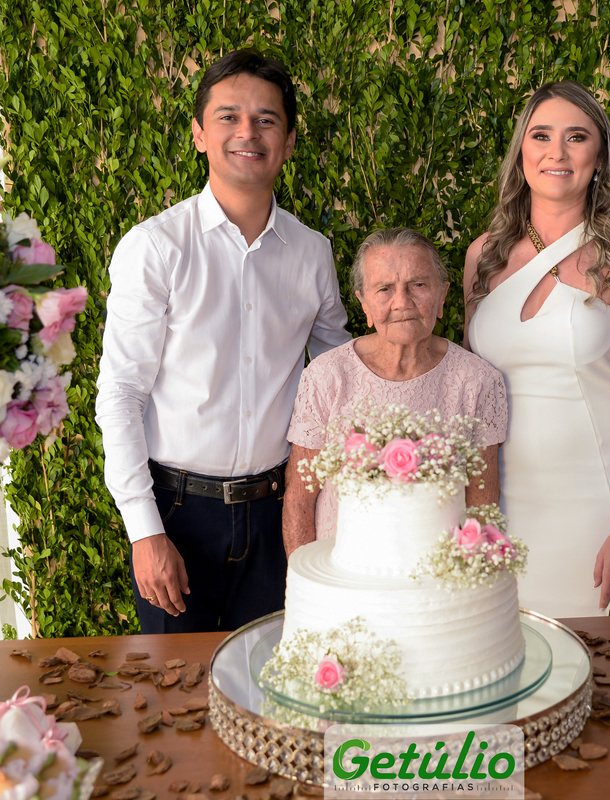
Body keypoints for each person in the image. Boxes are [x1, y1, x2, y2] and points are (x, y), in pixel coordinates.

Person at [96, 50, 350, 633]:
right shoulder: (156, 246)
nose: (247, 133)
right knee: (174, 685)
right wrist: (144, 531)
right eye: (229, 117)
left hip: (278, 515)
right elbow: (121, 393)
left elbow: (338, 375)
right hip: (177, 515)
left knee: (270, 678)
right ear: (199, 134)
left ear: (288, 141)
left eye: (266, 119)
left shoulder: (312, 253)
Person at [464, 81, 610, 618]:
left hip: (598, 504)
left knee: (604, 661)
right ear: (522, 154)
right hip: (503, 503)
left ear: (599, 158)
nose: (556, 152)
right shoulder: (482, 258)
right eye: (541, 136)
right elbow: (472, 395)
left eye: (576, 137)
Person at [283, 228, 506, 550]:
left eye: (418, 285)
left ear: (442, 296)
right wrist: (303, 575)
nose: (402, 302)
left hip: (437, 570)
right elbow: (298, 502)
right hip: (340, 566)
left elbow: (482, 507)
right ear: (364, 304)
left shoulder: (477, 381)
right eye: (384, 289)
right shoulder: (327, 376)